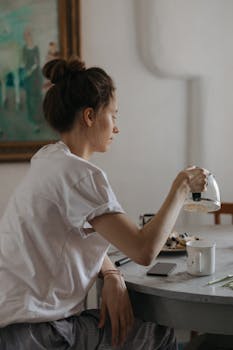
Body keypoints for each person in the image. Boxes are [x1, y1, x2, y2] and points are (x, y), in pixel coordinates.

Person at [0, 57, 207, 350]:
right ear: (89, 116)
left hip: (13, 327)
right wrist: (182, 187)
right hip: (42, 333)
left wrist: (110, 273)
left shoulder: (48, 159)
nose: (116, 128)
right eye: (114, 115)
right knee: (158, 333)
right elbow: (144, 250)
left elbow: (81, 233)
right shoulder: (80, 175)